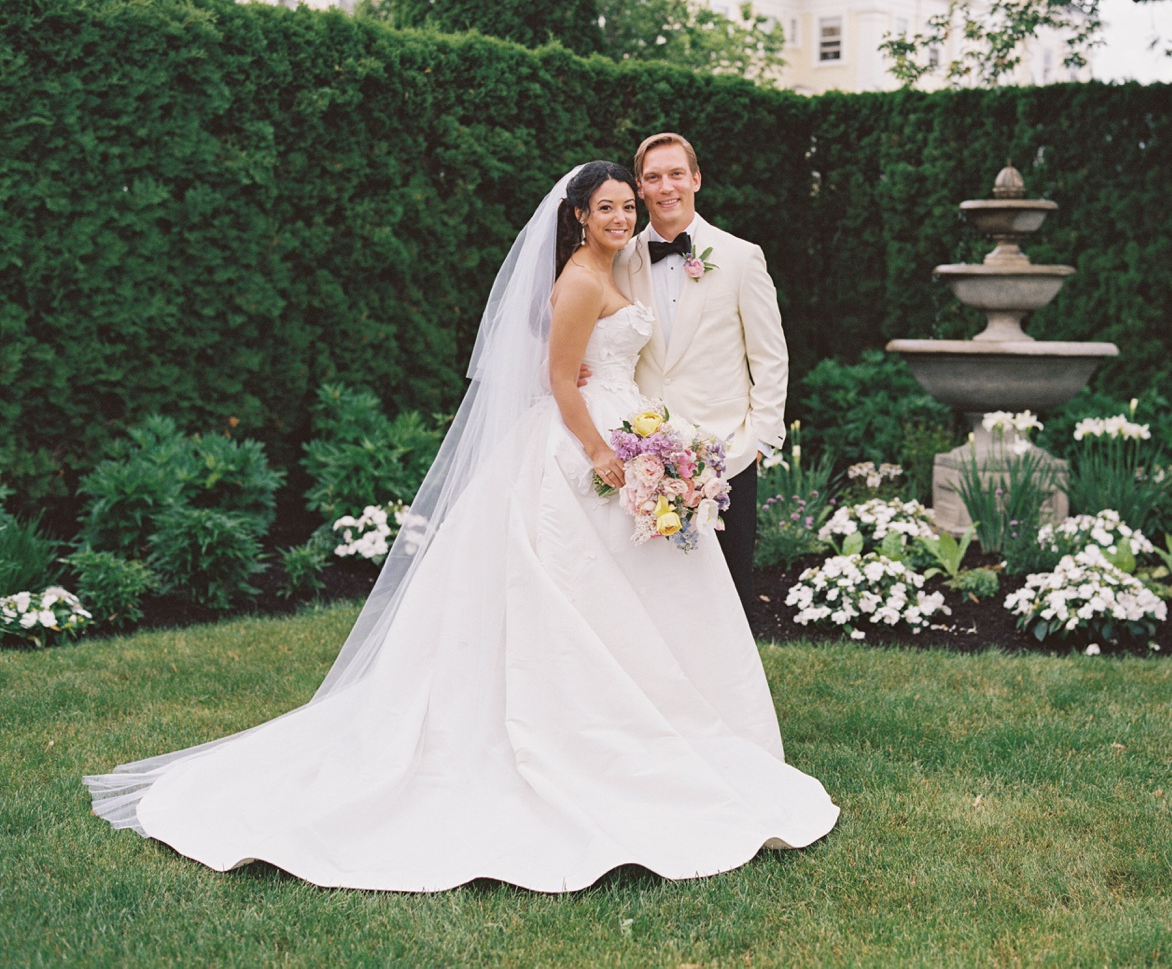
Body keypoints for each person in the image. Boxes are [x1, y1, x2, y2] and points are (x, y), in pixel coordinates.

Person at [82, 161, 837, 892]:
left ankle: (682, 726)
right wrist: (604, 452)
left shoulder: (629, 264)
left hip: (632, 435)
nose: (622, 216)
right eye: (607, 206)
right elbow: (557, 377)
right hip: (588, 447)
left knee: (646, 594)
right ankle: (587, 735)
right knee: (566, 588)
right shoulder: (581, 278)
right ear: (579, 214)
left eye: (625, 206)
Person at [613, 131, 788, 621]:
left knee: (727, 596)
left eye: (675, 174)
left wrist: (758, 442)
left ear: (696, 179)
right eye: (652, 178)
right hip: (644, 456)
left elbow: (771, 357)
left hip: (725, 456)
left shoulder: (740, 256)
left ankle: (733, 697)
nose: (665, 186)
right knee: (651, 596)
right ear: (640, 189)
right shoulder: (619, 260)